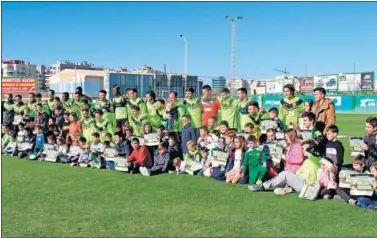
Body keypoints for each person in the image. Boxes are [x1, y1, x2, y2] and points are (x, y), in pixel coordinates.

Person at [248, 143, 321, 195]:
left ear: (311, 150)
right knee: (284, 177)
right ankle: (287, 188)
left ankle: (262, 186)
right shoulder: (310, 160)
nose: (302, 149)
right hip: (305, 184)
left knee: (284, 174)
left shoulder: (313, 160)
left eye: (305, 148)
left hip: (307, 185)